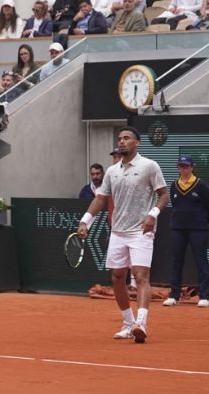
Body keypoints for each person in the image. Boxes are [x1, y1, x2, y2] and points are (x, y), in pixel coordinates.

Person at [77, 126, 168, 343]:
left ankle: (141, 324)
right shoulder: (111, 171)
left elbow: (164, 195)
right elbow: (101, 199)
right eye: (119, 138)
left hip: (141, 231)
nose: (121, 141)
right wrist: (85, 221)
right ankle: (128, 324)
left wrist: (153, 214)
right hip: (118, 231)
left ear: (137, 142)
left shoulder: (149, 166)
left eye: (126, 138)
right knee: (117, 278)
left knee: (140, 276)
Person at [162, 155, 209, 308]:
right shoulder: (174, 185)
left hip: (198, 229)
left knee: (201, 261)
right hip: (178, 229)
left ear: (192, 167)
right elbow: (175, 204)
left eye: (186, 166)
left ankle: (205, 296)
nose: (184, 169)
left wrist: (203, 222)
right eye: (181, 166)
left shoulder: (201, 185)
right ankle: (174, 295)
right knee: (176, 261)